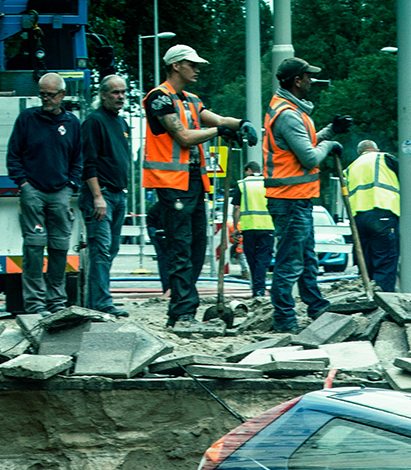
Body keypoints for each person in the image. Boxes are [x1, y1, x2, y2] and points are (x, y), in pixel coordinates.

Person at [142, 45, 245, 329]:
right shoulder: (159, 98)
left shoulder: (191, 100)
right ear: (176, 65)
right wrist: (219, 131)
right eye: (192, 64)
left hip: (194, 182)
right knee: (181, 246)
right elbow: (184, 137)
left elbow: (220, 120)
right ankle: (182, 312)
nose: (197, 69)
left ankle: (182, 308)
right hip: (172, 184)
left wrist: (241, 124)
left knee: (197, 245)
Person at [263, 56, 342, 332]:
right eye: (308, 76)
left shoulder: (292, 110)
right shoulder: (287, 114)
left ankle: (316, 307)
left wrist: (329, 131)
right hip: (289, 199)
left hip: (297, 198)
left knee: (307, 258)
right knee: (290, 262)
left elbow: (304, 143)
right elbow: (309, 157)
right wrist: (330, 145)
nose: (312, 81)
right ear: (297, 80)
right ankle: (284, 320)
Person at [6, 73, 83, 313]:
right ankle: (35, 304)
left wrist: (70, 185)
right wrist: (23, 184)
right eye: (42, 95)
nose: (46, 99)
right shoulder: (27, 119)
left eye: (50, 95)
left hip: (60, 192)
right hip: (33, 192)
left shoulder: (72, 123)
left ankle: (57, 302)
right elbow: (13, 155)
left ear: (62, 95)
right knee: (34, 248)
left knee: (60, 247)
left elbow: (78, 159)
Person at [81, 75, 131, 316]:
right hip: (102, 196)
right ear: (102, 95)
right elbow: (87, 162)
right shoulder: (94, 122)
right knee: (100, 249)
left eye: (123, 92)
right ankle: (102, 303)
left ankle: (95, 302)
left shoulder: (122, 123)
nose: (120, 96)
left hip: (118, 195)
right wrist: (97, 197)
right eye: (115, 92)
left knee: (110, 249)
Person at [344, 139, 401, 293]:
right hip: (382, 213)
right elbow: (408, 179)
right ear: (376, 149)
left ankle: (368, 297)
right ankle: (383, 300)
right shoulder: (384, 158)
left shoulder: (350, 168)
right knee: (385, 262)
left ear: (359, 153)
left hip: (359, 220)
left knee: (365, 263)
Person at [237, 161, 275, 297]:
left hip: (248, 227)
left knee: (251, 258)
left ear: (248, 170)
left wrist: (236, 227)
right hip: (267, 226)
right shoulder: (268, 182)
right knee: (263, 259)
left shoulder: (242, 184)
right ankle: (259, 288)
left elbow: (236, 208)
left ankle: (257, 288)